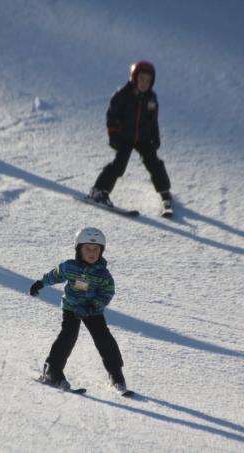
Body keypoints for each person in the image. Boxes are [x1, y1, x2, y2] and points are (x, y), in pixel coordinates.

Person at [29, 227, 127, 392]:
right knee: (68, 336)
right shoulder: (70, 267)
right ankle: (53, 371)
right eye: (87, 248)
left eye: (96, 249)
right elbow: (55, 275)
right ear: (79, 249)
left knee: (104, 339)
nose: (92, 252)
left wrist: (92, 306)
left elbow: (107, 293)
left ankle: (116, 374)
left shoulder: (103, 275)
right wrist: (40, 283)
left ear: (101, 251)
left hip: (92, 311)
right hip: (72, 308)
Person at [89, 61, 172, 213]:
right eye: (141, 79)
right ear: (134, 78)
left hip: (144, 138)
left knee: (154, 163)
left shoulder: (151, 99)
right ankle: (99, 190)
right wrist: (113, 134)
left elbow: (153, 121)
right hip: (125, 136)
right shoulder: (122, 95)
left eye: (148, 81)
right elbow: (111, 116)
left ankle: (165, 193)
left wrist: (155, 136)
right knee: (119, 165)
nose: (144, 84)